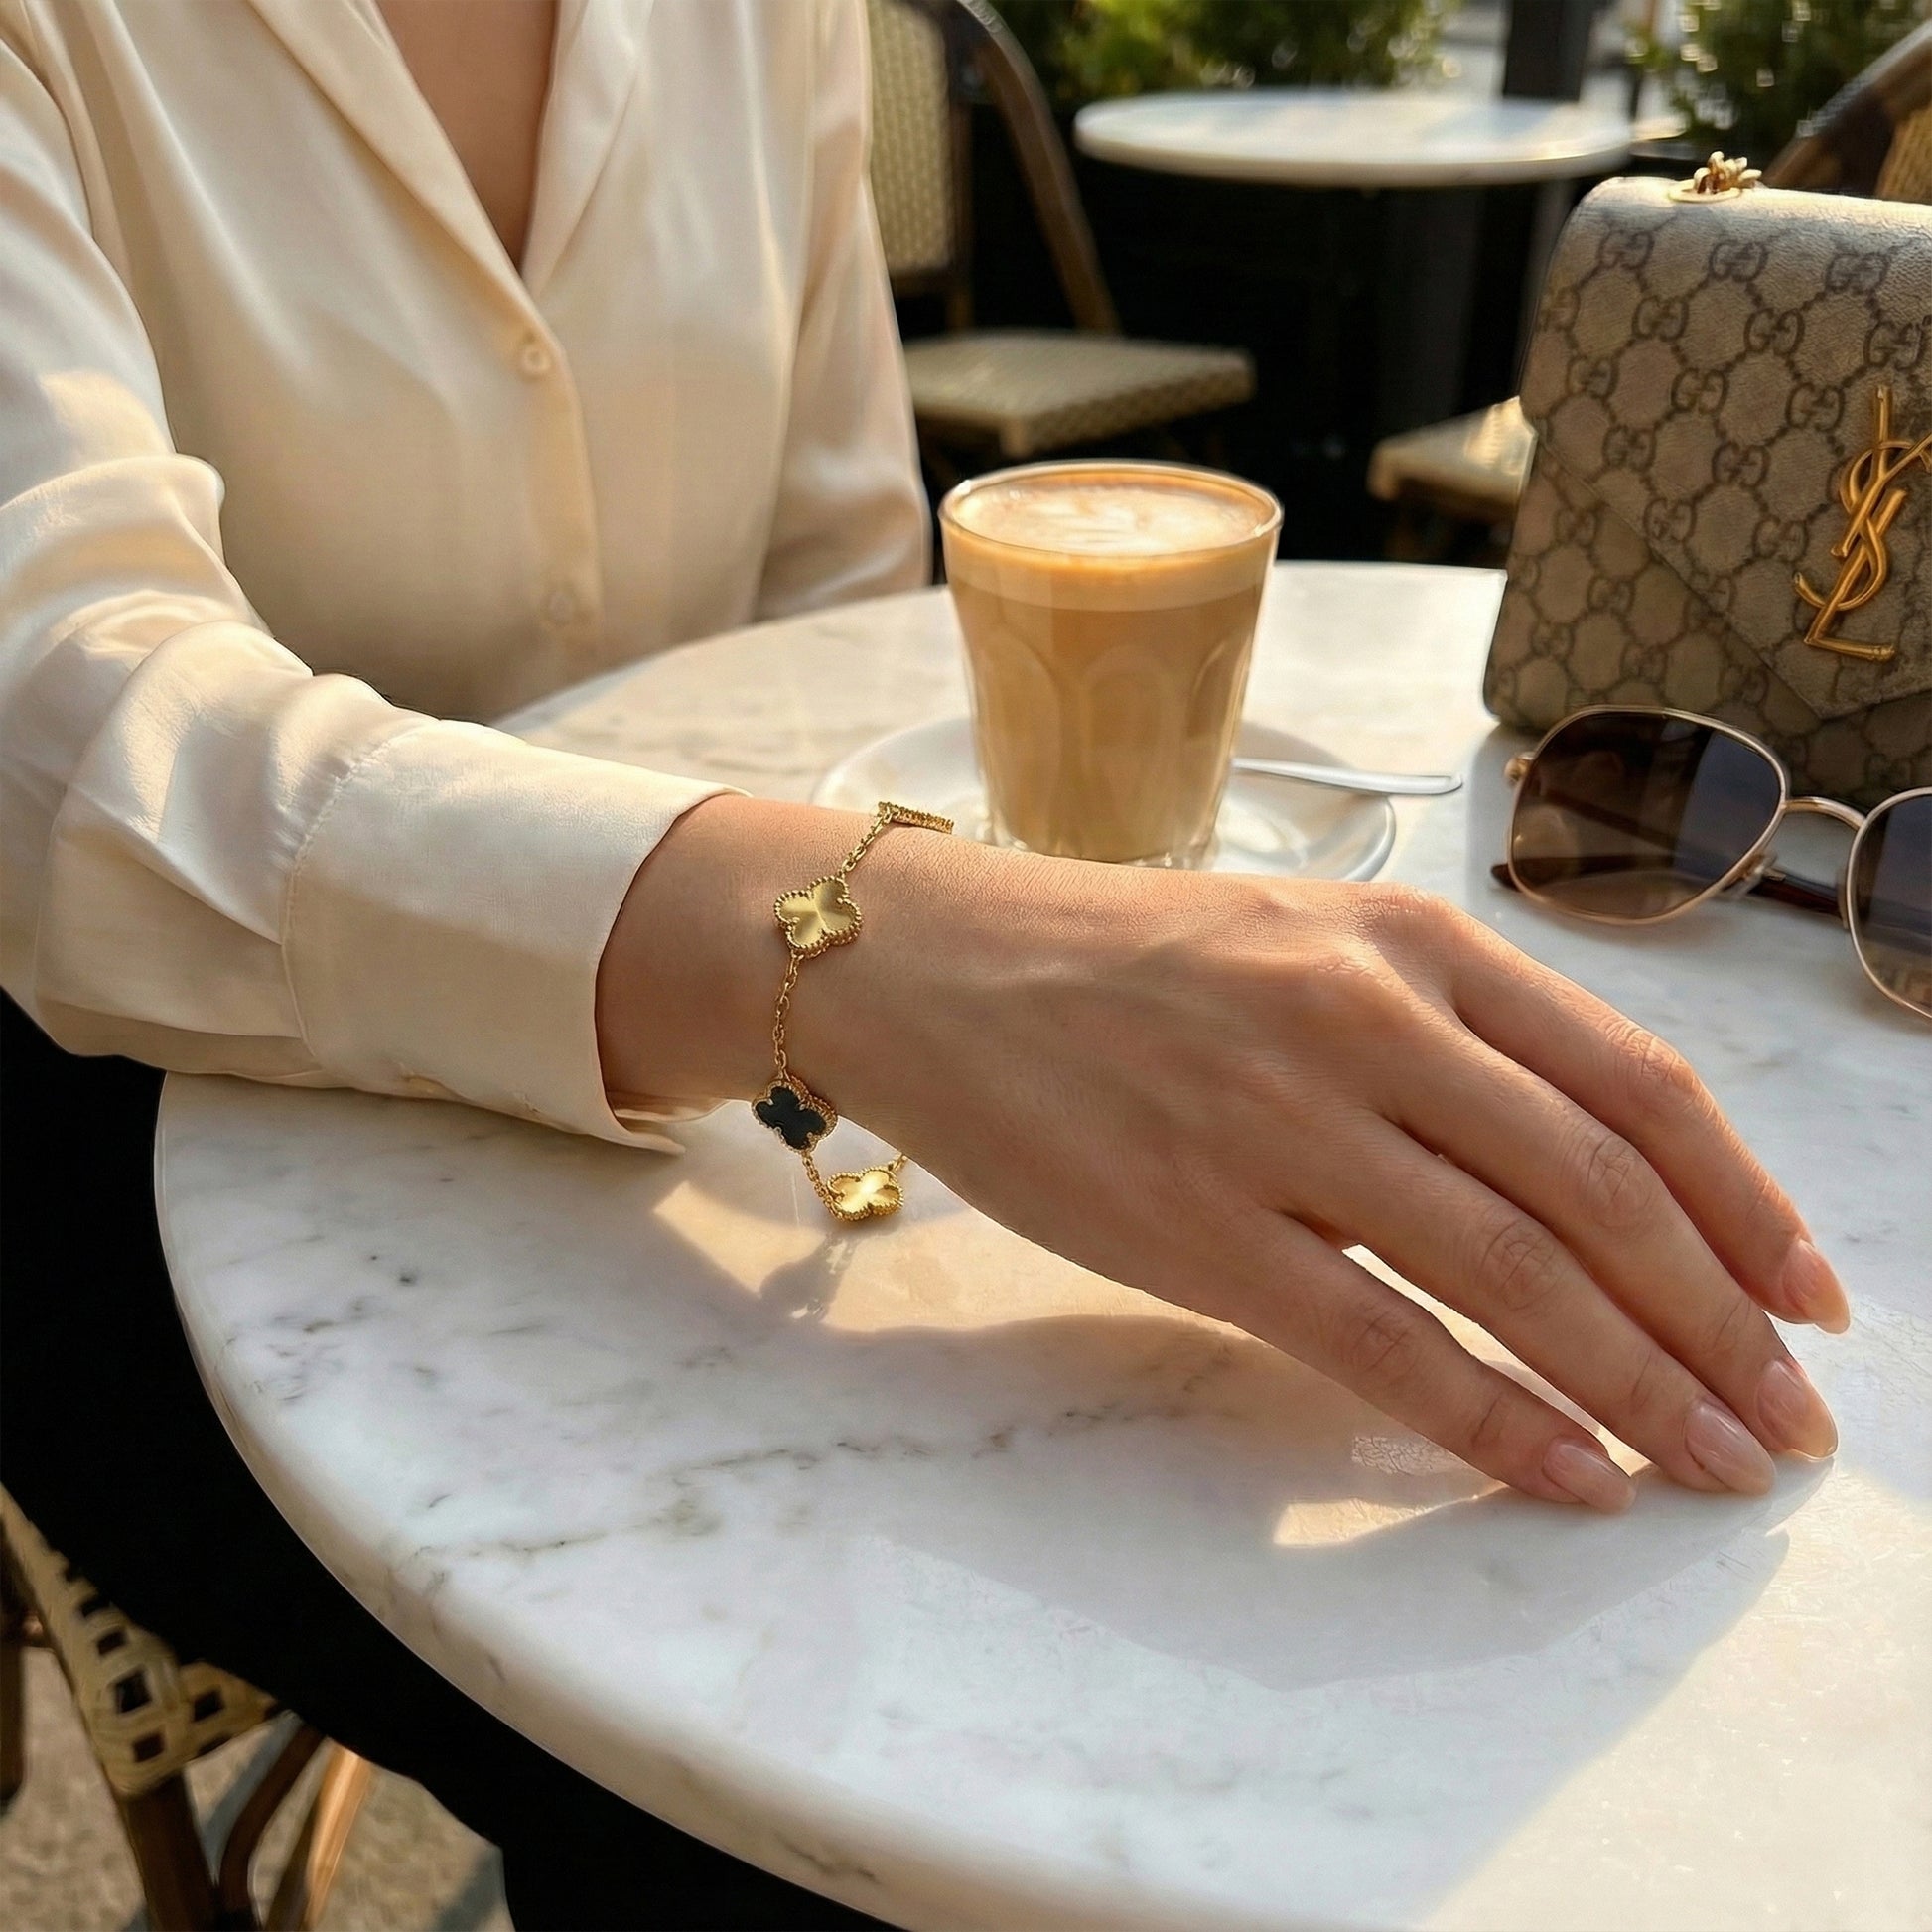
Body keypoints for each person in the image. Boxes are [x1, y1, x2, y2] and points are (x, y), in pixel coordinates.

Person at [0, 1, 1847, 1925]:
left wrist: (922, 1017)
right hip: (151, 1156)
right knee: (777, 1762)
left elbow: (835, 604)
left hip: (731, 1123)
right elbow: (55, 717)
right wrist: (882, 962)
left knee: (1148, 1637)